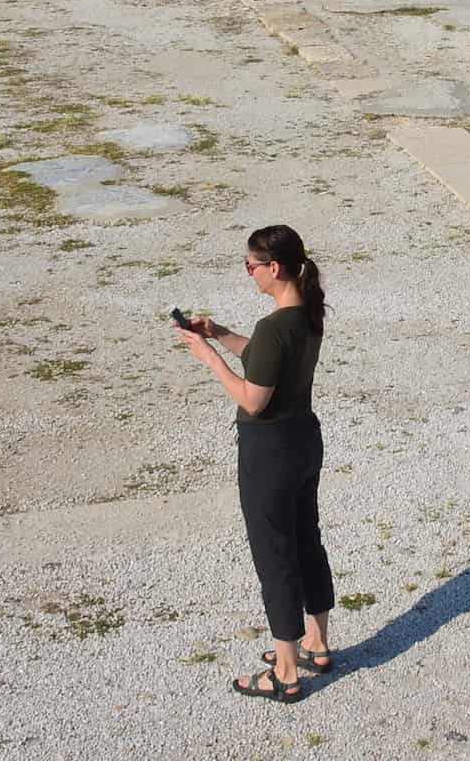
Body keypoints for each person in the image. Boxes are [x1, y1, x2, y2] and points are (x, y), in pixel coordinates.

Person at [176, 225, 335, 703]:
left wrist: (208, 357)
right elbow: (267, 359)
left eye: (251, 266)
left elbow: (254, 396)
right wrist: (221, 334)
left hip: (271, 453)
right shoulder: (306, 315)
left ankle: (285, 672)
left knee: (275, 555)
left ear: (274, 268)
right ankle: (316, 643)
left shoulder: (274, 327)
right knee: (307, 539)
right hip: (304, 441)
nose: (249, 274)